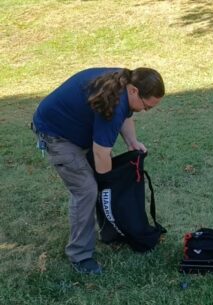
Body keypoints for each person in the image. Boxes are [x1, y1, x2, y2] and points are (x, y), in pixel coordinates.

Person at [32, 67, 165, 274]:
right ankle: (80, 255)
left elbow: (127, 114)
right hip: (56, 135)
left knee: (101, 184)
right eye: (146, 107)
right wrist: (107, 184)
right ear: (134, 91)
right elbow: (101, 154)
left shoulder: (125, 82)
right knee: (87, 189)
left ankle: (109, 229)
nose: (145, 111)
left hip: (75, 129)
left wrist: (132, 141)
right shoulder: (113, 101)